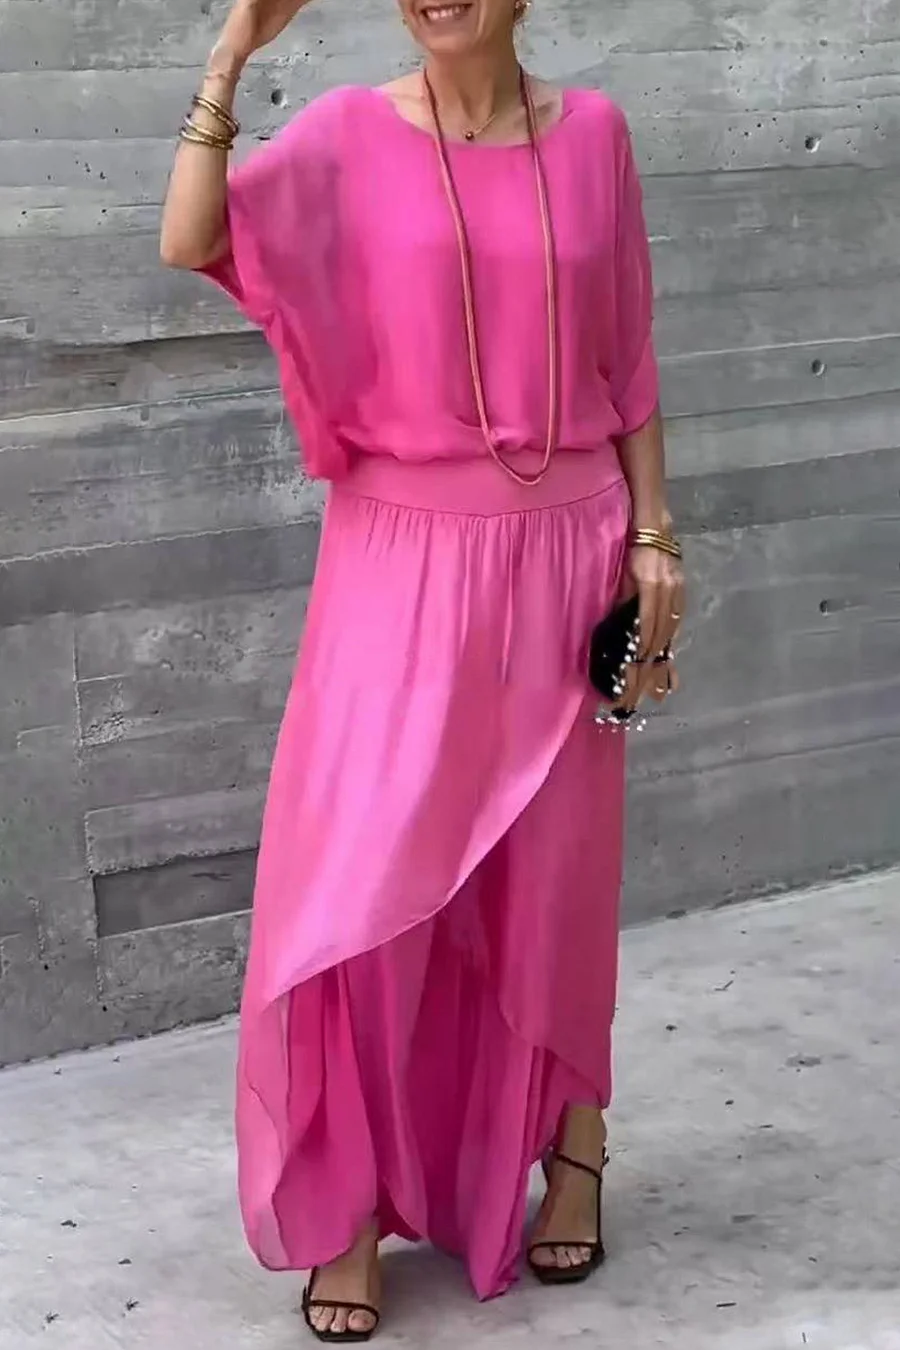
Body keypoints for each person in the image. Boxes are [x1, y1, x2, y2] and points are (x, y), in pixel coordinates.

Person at [161, 0, 685, 1340]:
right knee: (358, 883)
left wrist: (654, 541)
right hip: (398, 554)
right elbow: (191, 238)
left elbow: (627, 361)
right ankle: (350, 1203)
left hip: (569, 550)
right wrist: (231, 54)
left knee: (556, 877)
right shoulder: (347, 134)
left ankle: (575, 1148)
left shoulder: (598, 135)